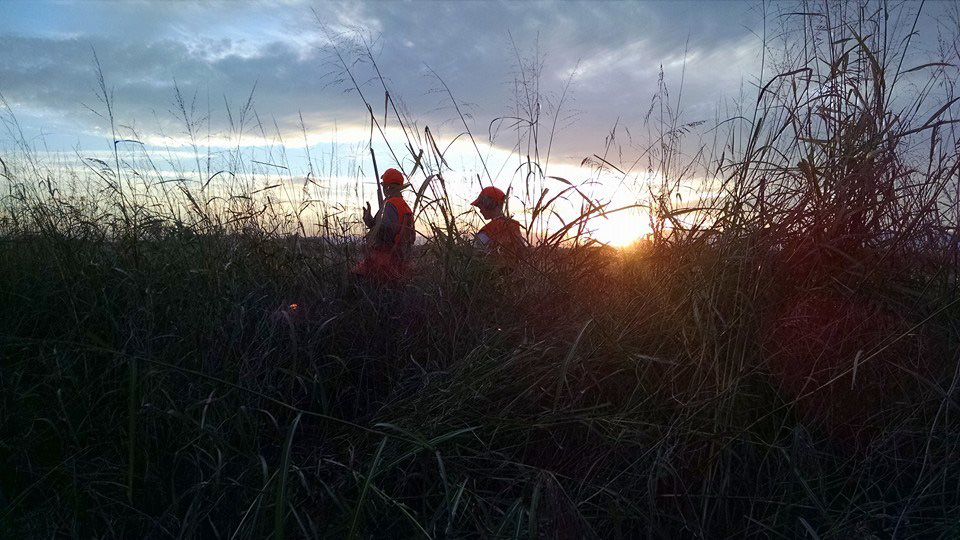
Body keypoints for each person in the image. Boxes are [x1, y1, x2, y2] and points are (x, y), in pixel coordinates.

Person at [353, 168, 415, 285]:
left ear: (387, 187)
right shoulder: (405, 207)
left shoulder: (390, 205)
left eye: (384, 186)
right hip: (400, 261)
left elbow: (385, 234)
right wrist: (370, 221)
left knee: (355, 277)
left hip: (385, 262)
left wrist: (369, 238)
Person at [471, 186, 524, 259]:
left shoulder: (488, 230)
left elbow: (475, 252)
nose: (480, 211)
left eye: (481, 206)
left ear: (490, 204)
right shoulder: (513, 225)